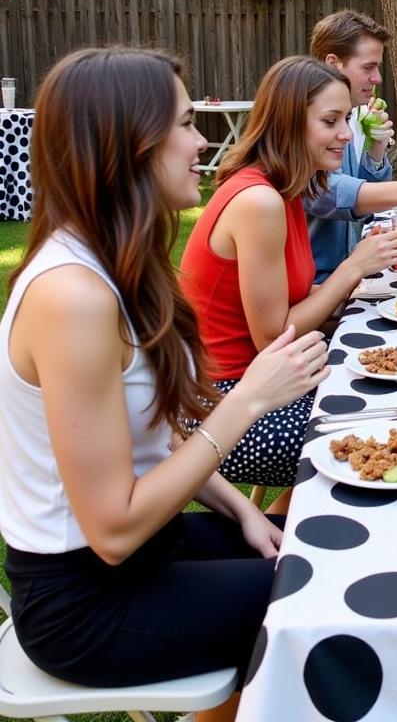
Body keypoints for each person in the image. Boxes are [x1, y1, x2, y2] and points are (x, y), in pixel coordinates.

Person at [0, 48, 326, 716]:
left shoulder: (118, 263)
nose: (201, 140)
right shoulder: (73, 297)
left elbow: (160, 436)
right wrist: (249, 402)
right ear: (129, 144)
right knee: (327, 599)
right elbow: (112, 529)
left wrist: (242, 511)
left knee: (318, 541)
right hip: (87, 605)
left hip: (151, 550)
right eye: (183, 122)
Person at [180, 56, 397, 487]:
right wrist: (353, 269)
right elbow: (273, 337)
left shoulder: (286, 188)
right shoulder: (260, 201)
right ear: (288, 124)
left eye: (345, 118)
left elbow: (293, 300)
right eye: (330, 121)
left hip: (269, 381)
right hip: (223, 407)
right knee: (386, 437)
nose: (346, 133)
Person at [305, 9, 397, 281]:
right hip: (319, 285)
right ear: (333, 63)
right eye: (368, 67)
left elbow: (366, 200)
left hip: (351, 271)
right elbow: (323, 192)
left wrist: (376, 147)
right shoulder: (307, 117)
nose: (378, 78)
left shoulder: (354, 114)